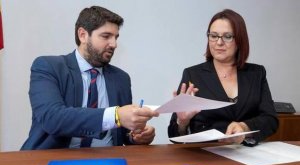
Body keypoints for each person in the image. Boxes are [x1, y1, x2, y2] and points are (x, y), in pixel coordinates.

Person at [21, 6, 159, 150]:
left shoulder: (121, 78)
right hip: (54, 159)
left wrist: (136, 136)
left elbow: (122, 133)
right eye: (106, 36)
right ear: (83, 35)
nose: (114, 44)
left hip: (108, 159)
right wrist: (116, 115)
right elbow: (52, 118)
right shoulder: (48, 67)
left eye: (116, 37)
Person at [168, 9, 278, 146]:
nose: (219, 42)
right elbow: (173, 136)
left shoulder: (257, 73)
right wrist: (182, 123)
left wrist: (245, 127)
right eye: (213, 36)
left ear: (240, 40)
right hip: (207, 154)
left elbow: (270, 120)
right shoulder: (193, 74)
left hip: (247, 153)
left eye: (227, 36)